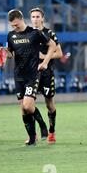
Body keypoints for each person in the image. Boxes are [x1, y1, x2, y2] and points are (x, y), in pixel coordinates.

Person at [0, 9, 56, 146]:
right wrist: (6, 55)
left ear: (21, 19)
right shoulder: (11, 35)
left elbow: (52, 45)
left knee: (28, 105)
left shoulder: (35, 33)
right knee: (23, 109)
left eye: (16, 25)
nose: (14, 28)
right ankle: (32, 138)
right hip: (18, 75)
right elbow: (11, 54)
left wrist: (45, 61)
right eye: (12, 25)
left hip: (33, 74)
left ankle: (42, 125)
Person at [29, 8, 63, 144]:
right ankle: (33, 134)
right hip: (31, 74)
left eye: (38, 16)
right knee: (29, 103)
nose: (35, 19)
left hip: (47, 74)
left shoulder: (49, 33)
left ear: (42, 18)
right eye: (33, 17)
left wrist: (44, 57)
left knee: (49, 103)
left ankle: (52, 131)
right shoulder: (28, 34)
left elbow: (60, 53)